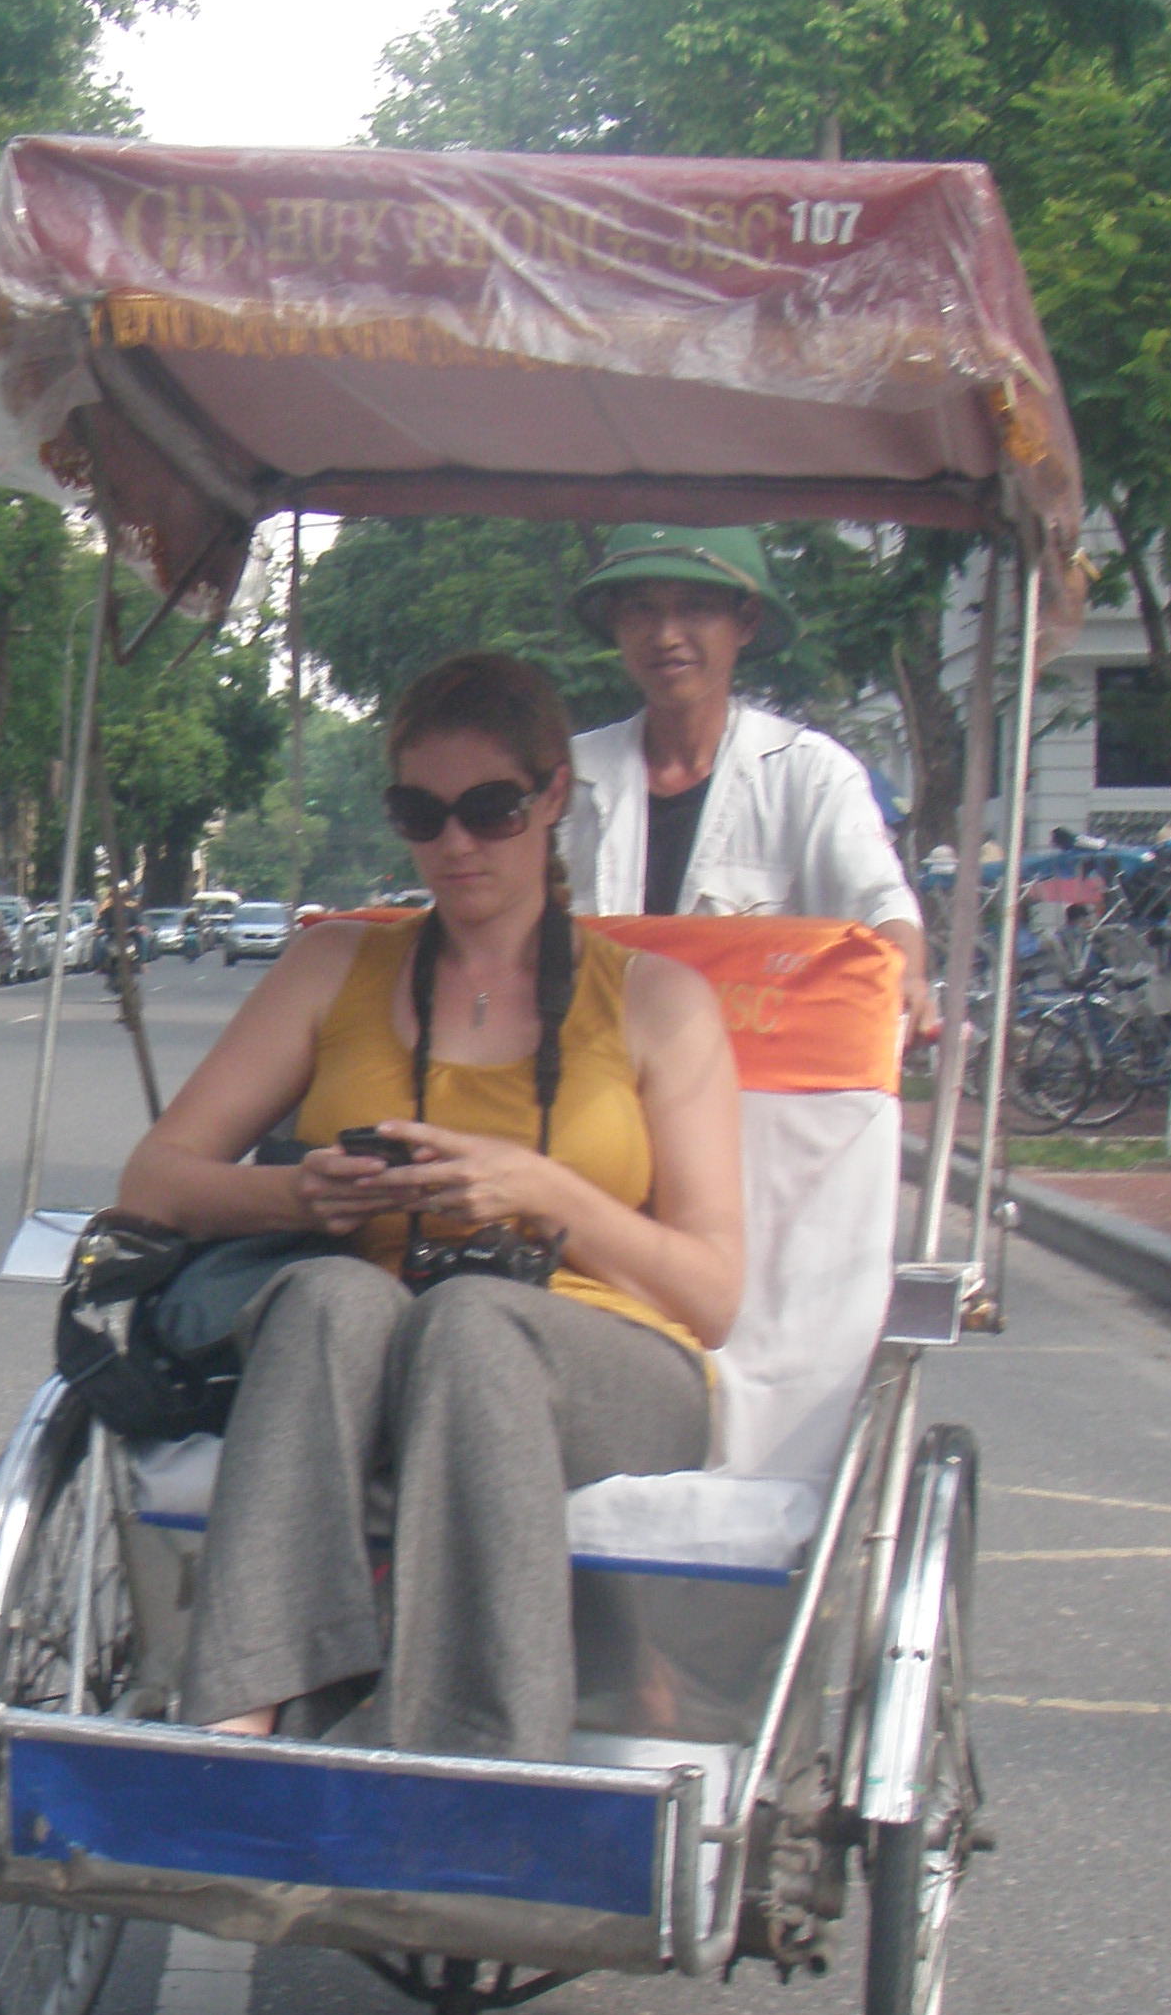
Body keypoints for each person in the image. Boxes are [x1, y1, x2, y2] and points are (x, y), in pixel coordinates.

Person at [114, 650, 743, 1768]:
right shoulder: (334, 968)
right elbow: (156, 1181)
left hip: (608, 1367)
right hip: (371, 1348)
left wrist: (541, 1193)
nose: (454, 845)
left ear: (551, 799)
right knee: (327, 1294)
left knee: (472, 1325)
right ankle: (247, 1713)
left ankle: (477, 1750)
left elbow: (713, 1292)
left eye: (490, 810)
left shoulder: (656, 1002)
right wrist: (297, 1191)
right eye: (420, 813)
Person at [560, 525, 934, 1037]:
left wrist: (906, 977)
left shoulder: (809, 775)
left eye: (695, 608)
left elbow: (878, 900)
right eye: (642, 609)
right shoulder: (567, 779)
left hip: (753, 1085)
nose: (666, 635)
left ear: (747, 621)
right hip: (588, 1074)